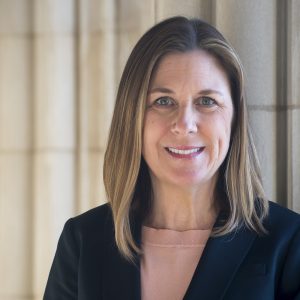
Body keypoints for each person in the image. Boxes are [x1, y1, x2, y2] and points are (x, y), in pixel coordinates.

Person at [44, 16, 300, 300]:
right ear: (133, 119)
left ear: (234, 119)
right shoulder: (82, 241)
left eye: (207, 101)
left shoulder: (288, 243)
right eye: (163, 101)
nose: (185, 123)